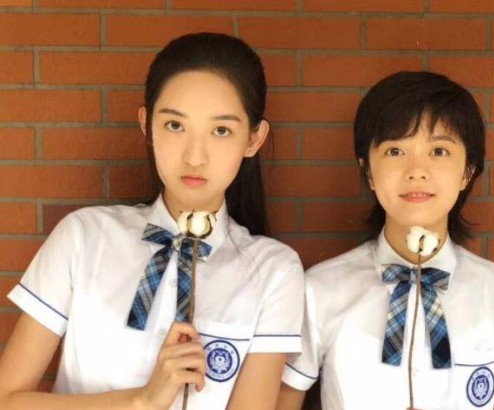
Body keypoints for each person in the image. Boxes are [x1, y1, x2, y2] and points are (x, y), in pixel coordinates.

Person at [0, 32, 304, 410]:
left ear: (254, 139)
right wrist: (142, 401)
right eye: (175, 125)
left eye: (221, 130)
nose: (195, 156)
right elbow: (6, 400)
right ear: (147, 124)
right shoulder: (83, 237)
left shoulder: (273, 271)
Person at [276, 71, 494, 410]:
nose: (416, 170)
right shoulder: (319, 290)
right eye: (395, 151)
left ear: (468, 170)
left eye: (439, 151)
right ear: (368, 170)